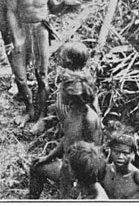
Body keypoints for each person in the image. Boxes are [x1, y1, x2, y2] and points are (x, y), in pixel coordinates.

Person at [7, 0, 66, 126]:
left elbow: (53, 8)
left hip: (41, 30)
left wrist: (64, 5)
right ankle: (29, 109)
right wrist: (16, 35)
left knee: (42, 75)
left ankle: (41, 113)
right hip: (22, 30)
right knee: (20, 76)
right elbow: (11, 12)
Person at [28, 68, 103, 199]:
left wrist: (79, 182)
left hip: (79, 174)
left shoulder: (89, 118)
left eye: (61, 91)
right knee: (36, 167)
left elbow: (94, 154)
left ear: (72, 94)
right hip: (67, 167)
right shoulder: (72, 111)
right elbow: (67, 139)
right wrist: (48, 158)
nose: (59, 94)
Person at [54, 42, 98, 123]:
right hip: (89, 112)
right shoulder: (86, 75)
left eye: (62, 56)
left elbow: (65, 101)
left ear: (69, 61)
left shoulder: (68, 79)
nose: (60, 58)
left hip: (73, 114)